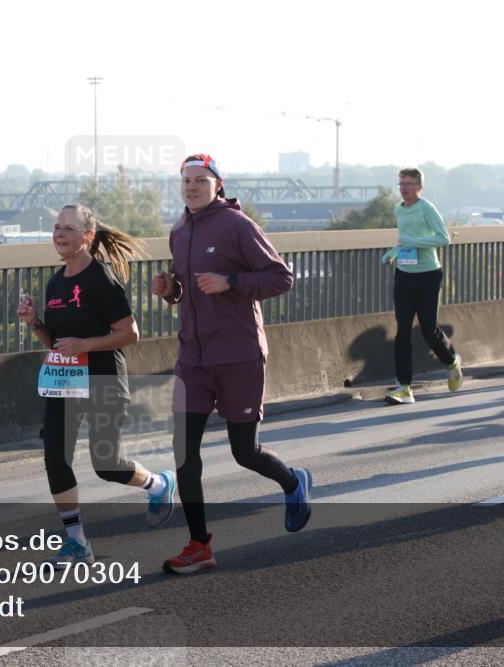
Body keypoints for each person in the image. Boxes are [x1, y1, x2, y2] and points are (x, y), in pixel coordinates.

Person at [150, 154, 311, 575]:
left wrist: (232, 282)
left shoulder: (238, 226)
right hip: (193, 358)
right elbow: (189, 292)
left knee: (245, 452)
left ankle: (293, 483)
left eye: (200, 180)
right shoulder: (179, 231)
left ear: (218, 185)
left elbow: (281, 278)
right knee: (185, 453)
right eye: (186, 181)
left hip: (238, 354)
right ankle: (199, 545)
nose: (191, 187)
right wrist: (171, 290)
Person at [17, 204, 176, 569]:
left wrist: (85, 345)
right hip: (65, 382)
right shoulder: (56, 281)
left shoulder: (100, 279)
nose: (59, 234)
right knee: (55, 459)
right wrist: (35, 321)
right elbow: (56, 340)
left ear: (88, 237)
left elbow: (130, 333)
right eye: (56, 228)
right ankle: (76, 543)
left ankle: (159, 484)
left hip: (103, 380)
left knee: (107, 465)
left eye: (68, 229)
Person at [381, 167, 463, 405]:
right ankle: (404, 387)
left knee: (428, 329)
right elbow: (404, 239)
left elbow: (443, 238)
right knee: (402, 331)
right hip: (404, 275)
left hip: (428, 275)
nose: (404, 188)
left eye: (409, 184)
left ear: (419, 187)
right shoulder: (398, 209)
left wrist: (413, 242)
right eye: (401, 184)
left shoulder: (426, 208)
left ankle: (452, 362)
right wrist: (394, 253)